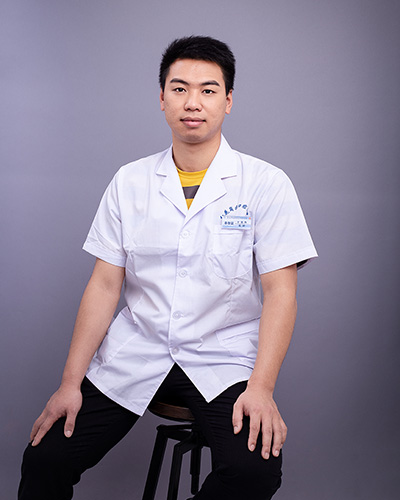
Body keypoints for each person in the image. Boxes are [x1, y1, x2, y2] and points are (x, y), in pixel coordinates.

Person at [18, 35, 317, 500]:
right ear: (162, 99)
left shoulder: (266, 184)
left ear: (228, 100)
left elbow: (282, 293)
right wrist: (69, 383)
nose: (192, 102)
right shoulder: (130, 181)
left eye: (208, 90)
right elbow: (104, 285)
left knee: (253, 472)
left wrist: (261, 388)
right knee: (45, 459)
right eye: (179, 89)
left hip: (223, 357)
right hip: (138, 348)